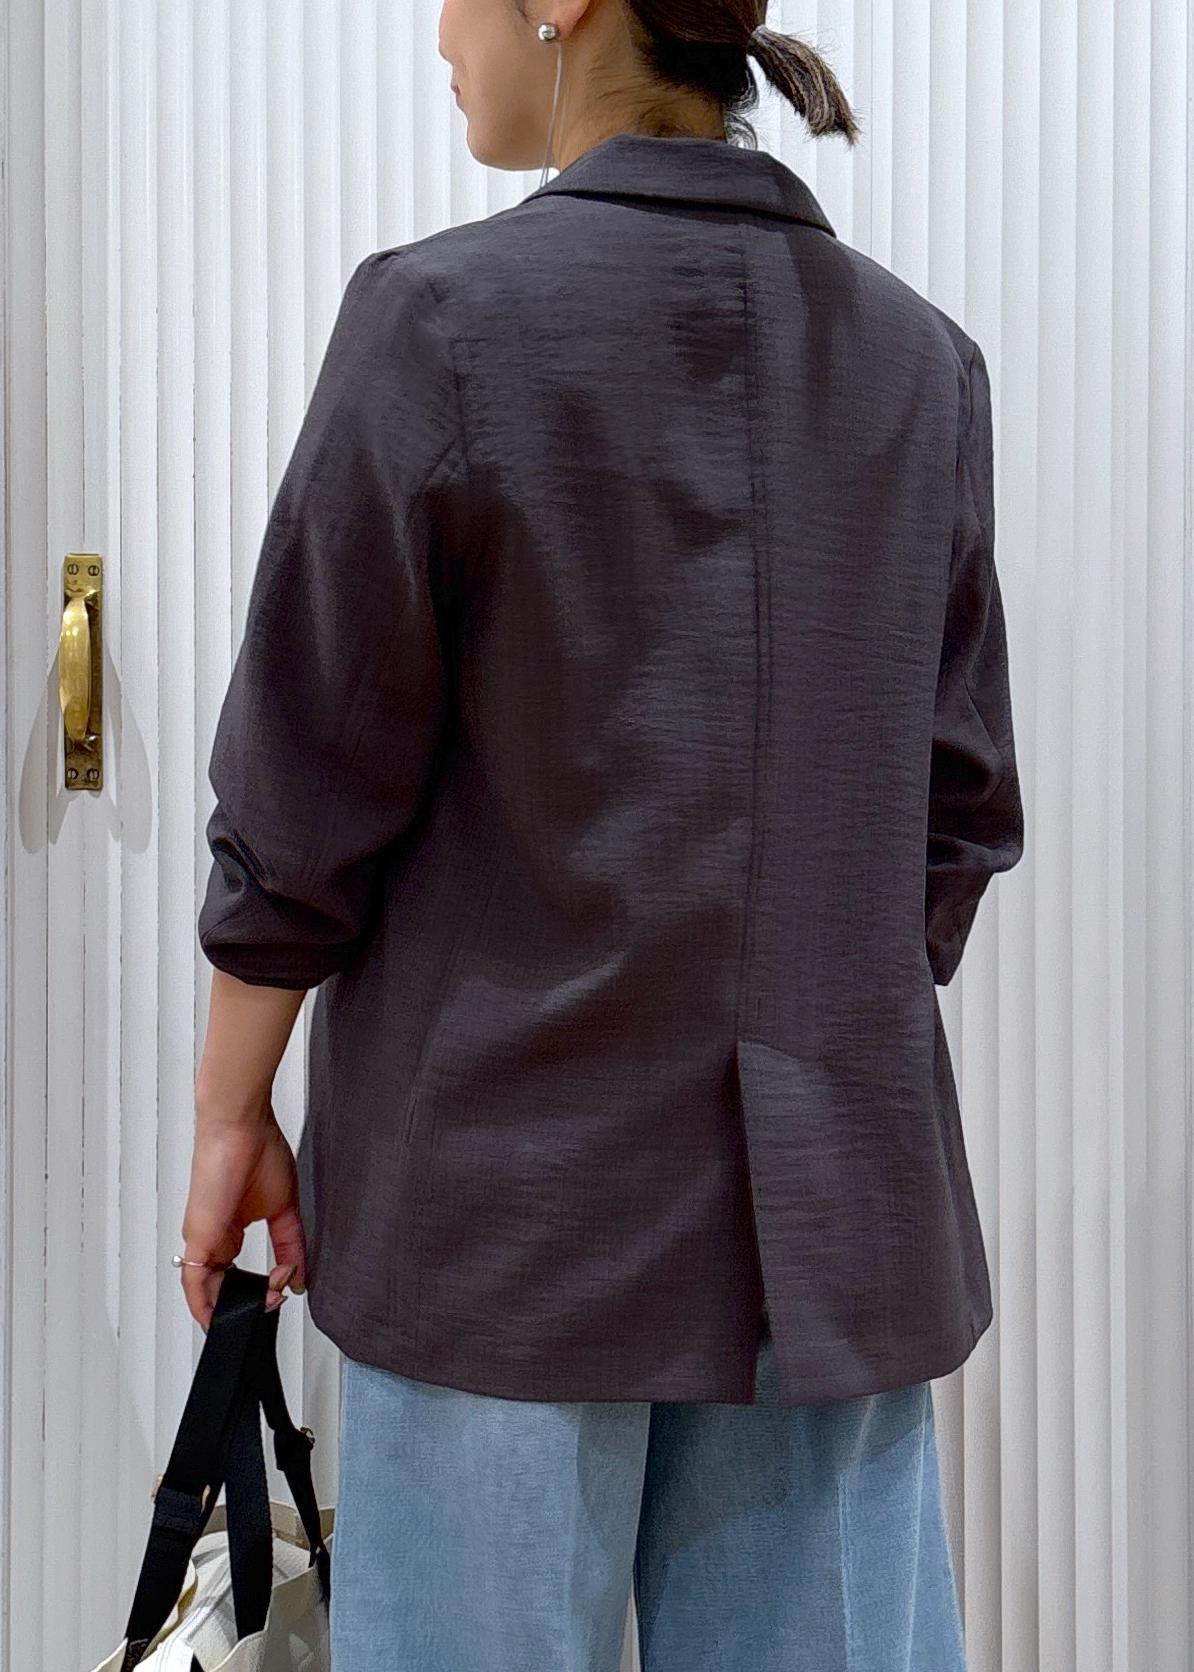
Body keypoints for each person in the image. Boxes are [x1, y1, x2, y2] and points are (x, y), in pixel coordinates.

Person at [183, 1, 1024, 1668]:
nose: (438, 29)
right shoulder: (917, 360)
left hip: (501, 1223)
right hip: (826, 1235)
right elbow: (957, 810)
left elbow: (308, 779)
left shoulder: (439, 322)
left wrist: (229, 1111)